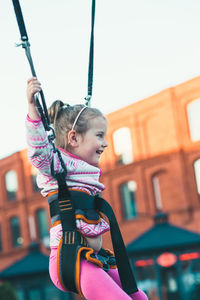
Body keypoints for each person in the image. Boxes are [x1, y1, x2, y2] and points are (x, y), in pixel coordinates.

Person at [26, 77, 148, 300]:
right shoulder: (55, 165)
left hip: (95, 257)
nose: (106, 143)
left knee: (140, 297)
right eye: (99, 135)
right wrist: (33, 110)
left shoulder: (87, 170)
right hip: (71, 258)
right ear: (73, 137)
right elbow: (38, 152)